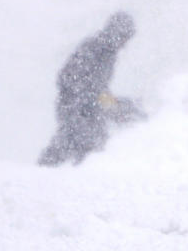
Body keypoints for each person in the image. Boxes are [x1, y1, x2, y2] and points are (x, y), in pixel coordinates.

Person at [37, 11, 146, 166]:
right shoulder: (94, 48)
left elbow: (99, 88)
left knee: (91, 144)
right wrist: (88, 99)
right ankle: (43, 171)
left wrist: (114, 105)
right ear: (116, 32)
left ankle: (71, 174)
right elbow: (68, 77)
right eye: (124, 37)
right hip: (75, 106)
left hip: (89, 106)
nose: (125, 44)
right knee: (77, 140)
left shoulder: (108, 53)